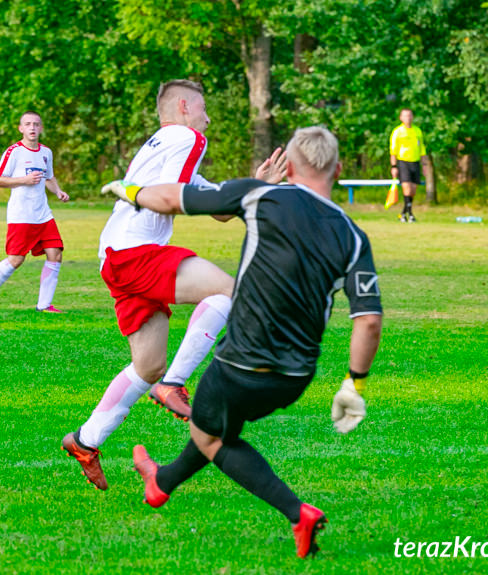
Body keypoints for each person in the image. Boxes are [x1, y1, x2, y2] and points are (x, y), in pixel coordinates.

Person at [102, 126, 383, 558]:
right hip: (295, 375)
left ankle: (297, 512)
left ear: (287, 166)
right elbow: (368, 322)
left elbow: (171, 198)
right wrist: (354, 386)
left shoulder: (259, 195)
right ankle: (160, 483)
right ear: (339, 170)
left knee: (212, 436)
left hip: (242, 361)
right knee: (218, 424)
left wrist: (130, 190)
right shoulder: (353, 235)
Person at [61, 80, 288, 490]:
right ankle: (172, 385)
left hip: (115, 253)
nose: (208, 118)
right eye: (204, 108)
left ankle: (84, 440)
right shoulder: (188, 136)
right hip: (135, 251)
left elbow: (211, 204)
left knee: (147, 364)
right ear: (183, 106)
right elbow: (172, 197)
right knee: (232, 293)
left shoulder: (164, 146)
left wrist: (255, 186)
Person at [0, 111, 69, 313]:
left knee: (56, 253)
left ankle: (44, 305)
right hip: (21, 215)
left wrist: (58, 191)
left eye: (36, 124)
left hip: (43, 214)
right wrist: (23, 180)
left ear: (41, 128)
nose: (32, 128)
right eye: (28, 124)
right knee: (16, 259)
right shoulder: (14, 152)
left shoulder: (46, 152)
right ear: (21, 128)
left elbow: (49, 178)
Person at [389, 108, 429, 223]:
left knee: (413, 190)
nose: (408, 118)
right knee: (406, 187)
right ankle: (410, 214)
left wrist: (424, 164)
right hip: (403, 162)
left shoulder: (417, 131)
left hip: (415, 162)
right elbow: (393, 150)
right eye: (405, 116)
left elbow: (421, 148)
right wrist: (394, 166)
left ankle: (403, 213)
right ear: (401, 118)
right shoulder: (398, 132)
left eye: (410, 115)